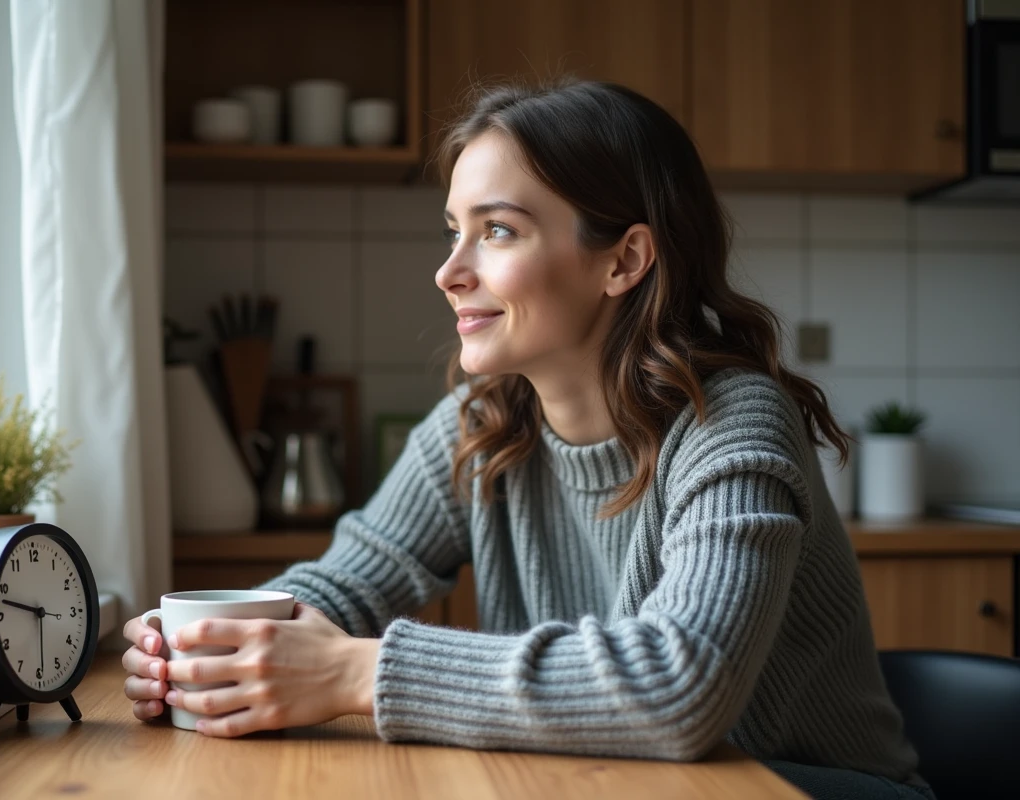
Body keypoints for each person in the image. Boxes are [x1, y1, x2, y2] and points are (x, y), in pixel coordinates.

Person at [122, 80, 936, 799]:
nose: (449, 271)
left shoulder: (732, 425)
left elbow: (680, 687)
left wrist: (354, 671)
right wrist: (212, 647)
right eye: (453, 230)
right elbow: (346, 582)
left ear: (624, 260)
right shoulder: (485, 425)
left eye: (498, 231)